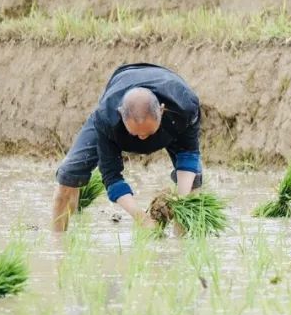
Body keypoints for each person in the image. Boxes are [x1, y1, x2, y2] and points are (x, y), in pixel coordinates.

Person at [51, 63, 202, 231]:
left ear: (162, 110)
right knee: (68, 175)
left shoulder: (185, 106)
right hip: (121, 87)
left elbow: (188, 155)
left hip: (170, 109)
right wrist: (142, 218)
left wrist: (180, 203)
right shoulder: (107, 117)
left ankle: (180, 246)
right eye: (136, 134)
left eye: (148, 132)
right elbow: (111, 176)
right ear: (121, 114)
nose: (143, 138)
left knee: (192, 188)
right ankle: (58, 243)